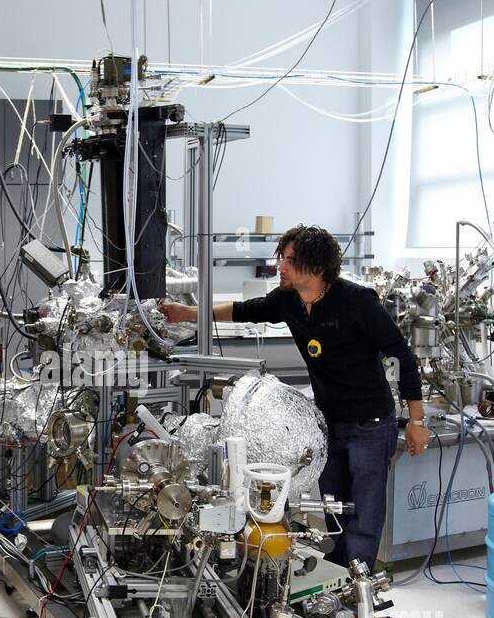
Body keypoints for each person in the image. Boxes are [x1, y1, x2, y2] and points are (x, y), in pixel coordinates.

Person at [162, 224, 428, 569]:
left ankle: (359, 580)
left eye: (289, 260)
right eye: (282, 258)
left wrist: (417, 420)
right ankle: (337, 572)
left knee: (364, 509)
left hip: (370, 423)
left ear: (316, 269)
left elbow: (403, 356)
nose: (281, 267)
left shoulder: (357, 301)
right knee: (333, 505)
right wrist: (188, 314)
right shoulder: (288, 301)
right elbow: (245, 310)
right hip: (328, 421)